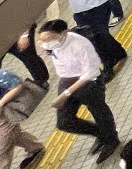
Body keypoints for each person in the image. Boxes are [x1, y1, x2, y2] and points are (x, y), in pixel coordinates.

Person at [37, 19, 119, 163]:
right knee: (64, 122)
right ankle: (101, 134)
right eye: (42, 40)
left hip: (89, 83)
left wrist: (66, 93)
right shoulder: (54, 44)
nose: (45, 43)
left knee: (99, 112)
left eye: (49, 39)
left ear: (63, 33)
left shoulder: (80, 45)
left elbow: (90, 72)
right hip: (66, 80)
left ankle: (111, 140)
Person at [58, 0, 129, 82]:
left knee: (100, 34)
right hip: (79, 11)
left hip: (99, 5)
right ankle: (119, 52)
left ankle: (108, 65)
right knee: (93, 37)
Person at [0, 65, 44, 168]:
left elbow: (17, 85)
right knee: (13, 135)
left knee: (2, 149)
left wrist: (1, 103)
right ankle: (34, 147)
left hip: (5, 116)